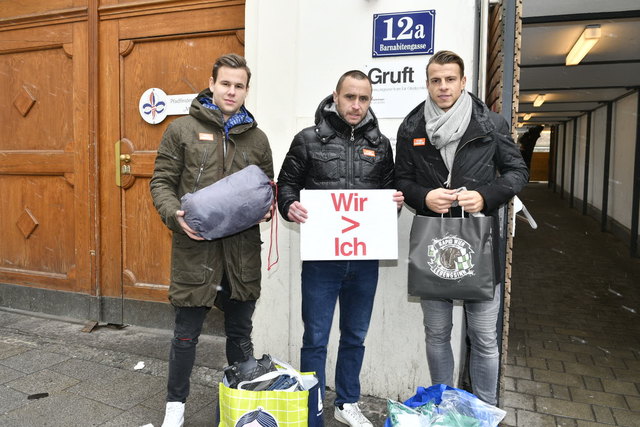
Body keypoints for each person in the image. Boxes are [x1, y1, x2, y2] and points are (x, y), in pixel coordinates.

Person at [395, 50, 528, 406]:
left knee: (484, 337)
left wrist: (485, 197)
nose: (443, 87)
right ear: (427, 83)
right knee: (437, 333)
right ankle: (444, 404)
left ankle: (483, 409)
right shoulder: (412, 127)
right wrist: (424, 197)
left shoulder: (491, 124)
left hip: (479, 245)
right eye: (435, 80)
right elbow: (402, 180)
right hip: (432, 244)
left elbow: (517, 173)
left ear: (464, 81)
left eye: (450, 79)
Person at [150, 53, 273, 427]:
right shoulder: (181, 130)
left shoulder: (258, 138)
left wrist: (268, 206)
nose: (232, 92)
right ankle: (176, 405)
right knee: (186, 334)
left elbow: (266, 187)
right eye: (226, 84)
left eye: (239, 86)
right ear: (212, 83)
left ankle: (242, 404)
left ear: (247, 90)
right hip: (195, 250)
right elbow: (161, 183)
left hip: (241, 254)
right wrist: (175, 215)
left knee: (240, 333)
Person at [277, 70, 404, 427]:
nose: (356, 105)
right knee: (314, 337)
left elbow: (390, 190)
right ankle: (311, 407)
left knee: (355, 335)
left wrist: (394, 201)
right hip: (322, 260)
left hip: (364, 260)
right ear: (336, 96)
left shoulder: (381, 144)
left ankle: (347, 402)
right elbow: (286, 184)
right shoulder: (307, 140)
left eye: (364, 99)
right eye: (350, 97)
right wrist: (290, 206)